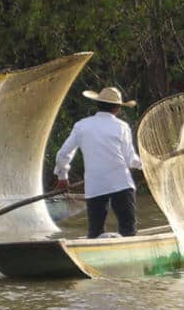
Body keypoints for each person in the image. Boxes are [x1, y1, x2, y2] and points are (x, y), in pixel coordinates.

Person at [54, 86, 143, 238]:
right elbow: (130, 159)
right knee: (128, 230)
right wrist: (147, 165)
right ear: (117, 108)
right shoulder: (122, 127)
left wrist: (63, 177)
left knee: (94, 233)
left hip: (95, 186)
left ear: (98, 105)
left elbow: (63, 154)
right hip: (120, 183)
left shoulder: (81, 126)